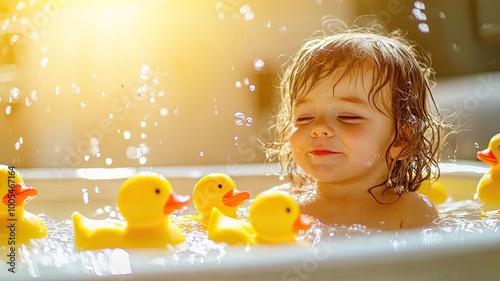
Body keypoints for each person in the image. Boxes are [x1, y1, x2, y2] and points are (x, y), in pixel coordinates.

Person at [264, 20, 454, 230]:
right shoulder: (283, 206)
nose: (318, 127)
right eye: (304, 117)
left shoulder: (407, 212)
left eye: (347, 117)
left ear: (402, 139)